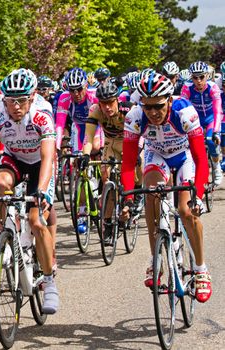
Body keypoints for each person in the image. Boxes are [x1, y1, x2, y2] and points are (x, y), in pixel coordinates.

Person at [0, 68, 59, 314]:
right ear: (2, 99)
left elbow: (49, 157)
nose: (15, 106)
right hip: (14, 158)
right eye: (10, 101)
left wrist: (40, 191)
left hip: (41, 162)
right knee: (1, 183)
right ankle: (6, 230)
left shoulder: (41, 116)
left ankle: (49, 282)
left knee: (37, 221)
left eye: (22, 100)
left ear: (32, 97)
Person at [121, 71, 212, 303]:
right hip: (156, 155)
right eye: (147, 106)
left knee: (185, 211)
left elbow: (201, 159)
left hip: (184, 157)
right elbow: (129, 163)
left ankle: (201, 270)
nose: (153, 113)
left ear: (169, 100)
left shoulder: (185, 112)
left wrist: (198, 196)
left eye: (158, 106)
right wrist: (129, 200)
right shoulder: (135, 117)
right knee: (151, 193)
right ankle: (156, 261)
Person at [80, 81, 138, 238]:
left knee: (137, 169)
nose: (107, 107)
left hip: (129, 142)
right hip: (110, 143)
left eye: (110, 102)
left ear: (117, 100)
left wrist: (138, 152)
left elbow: (141, 133)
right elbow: (89, 137)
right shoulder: (95, 110)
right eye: (103, 103)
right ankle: (107, 223)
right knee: (106, 179)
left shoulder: (129, 109)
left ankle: (135, 197)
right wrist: (85, 155)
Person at [181, 61, 223, 185]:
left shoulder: (213, 87)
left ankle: (216, 166)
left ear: (207, 76)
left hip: (211, 119)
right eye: (195, 77)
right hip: (195, 120)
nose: (198, 80)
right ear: (191, 77)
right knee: (192, 146)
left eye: (201, 77)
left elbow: (217, 110)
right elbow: (182, 109)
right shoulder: (187, 88)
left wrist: (215, 130)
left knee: (211, 141)